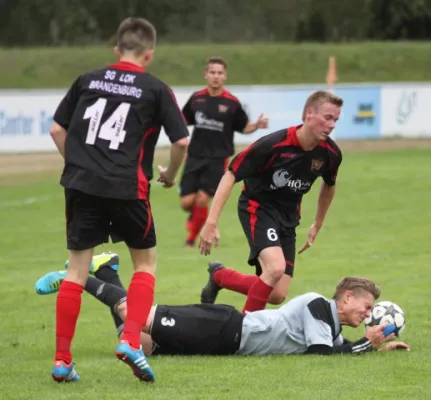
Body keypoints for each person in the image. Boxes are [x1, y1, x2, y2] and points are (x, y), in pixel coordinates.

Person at [48, 17, 189, 383]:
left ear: (116, 50)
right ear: (149, 53)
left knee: (76, 272)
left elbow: (56, 128)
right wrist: (170, 176)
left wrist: (79, 166)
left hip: (81, 185)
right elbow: (181, 142)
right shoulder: (155, 88)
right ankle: (130, 340)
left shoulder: (87, 80)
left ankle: (62, 360)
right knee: (145, 265)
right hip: (128, 186)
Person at [35, 261, 409, 356]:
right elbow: (323, 353)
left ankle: (106, 270)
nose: (368, 313)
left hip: (222, 343)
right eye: (367, 305)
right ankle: (80, 276)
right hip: (222, 327)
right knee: (133, 317)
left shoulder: (335, 328)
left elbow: (337, 347)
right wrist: (368, 344)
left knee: (137, 345)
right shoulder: (316, 305)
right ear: (346, 297)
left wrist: (373, 346)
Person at [198, 90, 343, 315]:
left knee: (276, 294)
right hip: (258, 208)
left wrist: (318, 222)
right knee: (275, 268)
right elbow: (231, 174)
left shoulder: (330, 154)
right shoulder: (273, 144)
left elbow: (329, 184)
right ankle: (244, 332)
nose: (332, 125)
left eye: (335, 120)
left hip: (288, 218)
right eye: (327, 117)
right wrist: (211, 221)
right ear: (309, 114)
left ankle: (220, 276)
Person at [179, 57, 269, 248]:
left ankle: (191, 239)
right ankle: (195, 218)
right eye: (212, 72)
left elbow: (244, 127)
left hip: (217, 159)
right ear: (206, 75)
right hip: (194, 156)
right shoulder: (196, 99)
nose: (216, 76)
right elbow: (181, 120)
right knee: (186, 202)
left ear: (225, 76)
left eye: (220, 73)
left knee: (202, 199)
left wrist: (257, 126)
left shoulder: (231, 103)